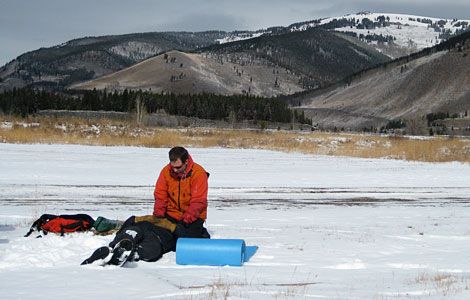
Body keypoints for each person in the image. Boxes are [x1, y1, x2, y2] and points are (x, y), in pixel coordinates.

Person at [81, 146, 210, 266]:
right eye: (172, 167)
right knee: (148, 227)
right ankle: (119, 245)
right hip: (170, 215)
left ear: (186, 162)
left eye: (178, 167)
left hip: (191, 218)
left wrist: (184, 222)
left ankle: (136, 251)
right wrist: (158, 217)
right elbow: (160, 196)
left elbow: (198, 202)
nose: (174, 170)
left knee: (171, 238)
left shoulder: (198, 174)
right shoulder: (166, 172)